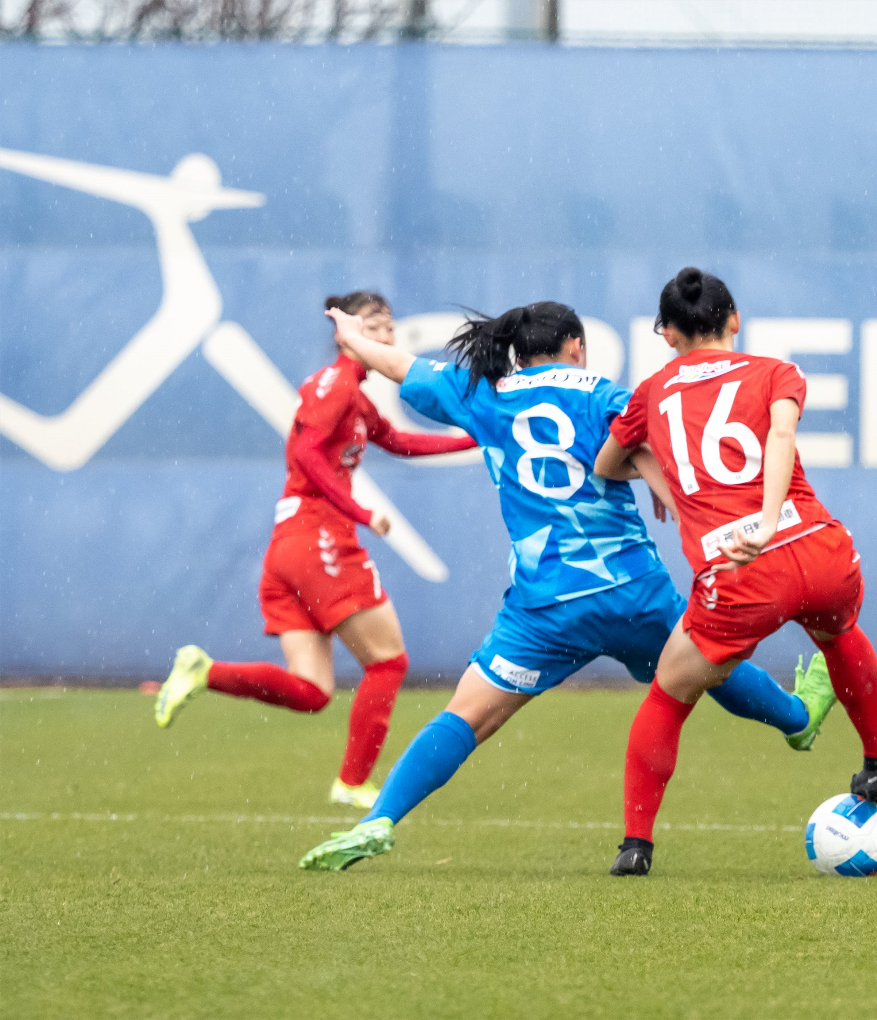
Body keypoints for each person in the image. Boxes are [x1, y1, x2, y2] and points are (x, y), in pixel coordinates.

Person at [298, 300, 837, 871]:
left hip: (545, 605)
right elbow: (650, 448)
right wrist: (661, 486)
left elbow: (398, 364)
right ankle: (797, 720)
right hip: (631, 592)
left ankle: (379, 816)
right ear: (576, 345)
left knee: (468, 714)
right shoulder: (607, 394)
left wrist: (353, 336)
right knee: (705, 663)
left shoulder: (486, 393)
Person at [594, 267, 877, 876]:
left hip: (741, 574)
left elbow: (609, 462)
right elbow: (781, 432)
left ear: (669, 333)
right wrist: (769, 517)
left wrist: (669, 484)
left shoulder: (653, 392)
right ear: (734, 320)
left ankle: (636, 845)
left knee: (671, 693)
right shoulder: (774, 371)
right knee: (838, 633)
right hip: (816, 548)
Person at [154, 291, 478, 809]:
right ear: (345, 333)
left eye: (391, 328)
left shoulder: (355, 395)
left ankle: (203, 670)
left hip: (293, 545)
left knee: (312, 690)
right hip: (318, 538)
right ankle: (352, 783)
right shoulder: (336, 387)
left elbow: (399, 442)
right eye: (375, 326)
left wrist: (479, 437)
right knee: (389, 661)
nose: (388, 338)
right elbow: (306, 453)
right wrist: (362, 513)